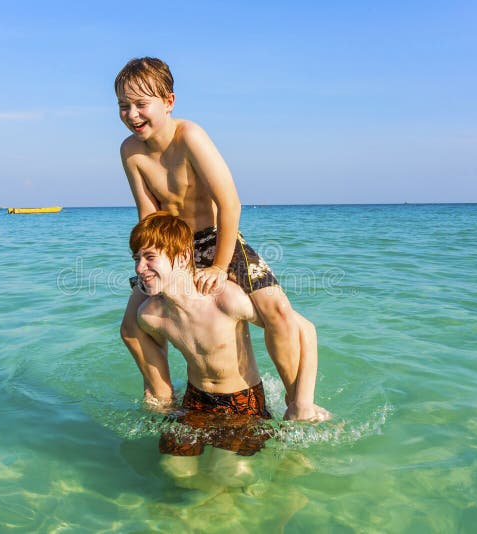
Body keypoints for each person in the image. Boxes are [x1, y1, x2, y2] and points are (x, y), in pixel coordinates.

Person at [116, 57, 325, 421]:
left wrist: (218, 265)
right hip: (172, 245)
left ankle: (296, 404)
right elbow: (148, 215)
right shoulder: (130, 151)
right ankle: (163, 397)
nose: (132, 114)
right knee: (131, 327)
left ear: (169, 101)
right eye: (124, 106)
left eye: (141, 104)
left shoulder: (190, 136)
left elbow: (230, 204)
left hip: (218, 236)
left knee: (276, 312)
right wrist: (152, 261)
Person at [129, 213, 330, 485]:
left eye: (150, 257)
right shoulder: (150, 315)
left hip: (242, 404)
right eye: (136, 259)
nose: (140, 268)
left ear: (184, 256)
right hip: (196, 403)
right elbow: (150, 355)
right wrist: (157, 397)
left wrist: (302, 402)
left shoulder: (225, 298)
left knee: (225, 475)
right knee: (175, 471)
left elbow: (305, 329)